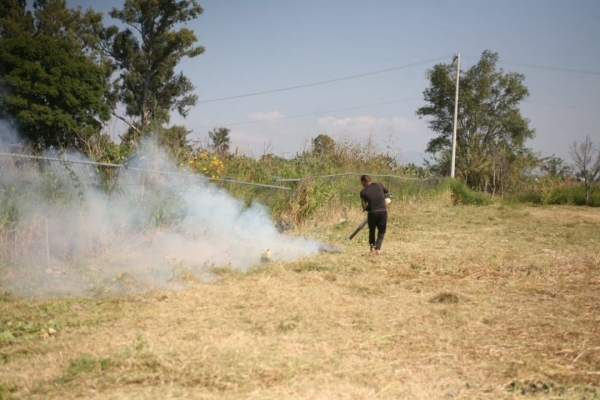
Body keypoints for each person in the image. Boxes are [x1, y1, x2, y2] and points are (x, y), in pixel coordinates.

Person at [359, 175, 389, 256]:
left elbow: (364, 207)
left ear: (363, 182)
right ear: (370, 180)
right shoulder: (379, 184)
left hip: (372, 213)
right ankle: (378, 248)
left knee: (372, 230)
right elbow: (387, 192)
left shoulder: (363, 192)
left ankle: (372, 247)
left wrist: (368, 208)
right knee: (381, 232)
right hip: (383, 211)